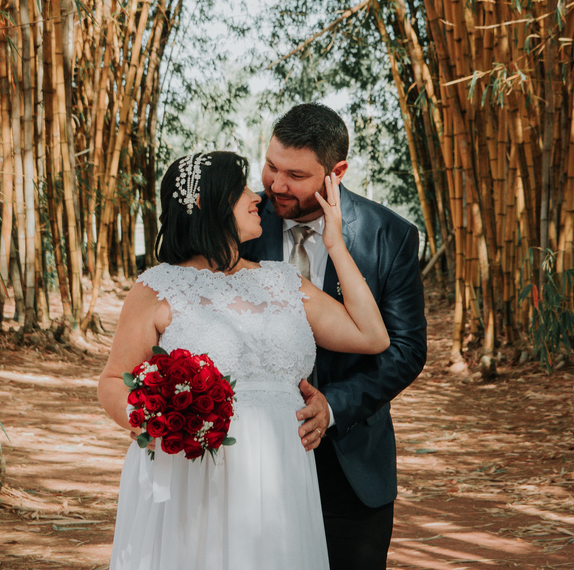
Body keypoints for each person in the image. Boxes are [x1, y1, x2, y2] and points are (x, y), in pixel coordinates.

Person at [98, 150, 389, 570]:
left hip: (282, 473)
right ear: (205, 204)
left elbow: (372, 335)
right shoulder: (156, 287)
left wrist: (335, 243)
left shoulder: (284, 280)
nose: (258, 196)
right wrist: (151, 418)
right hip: (196, 471)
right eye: (241, 191)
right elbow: (112, 380)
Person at [241, 103, 428, 570]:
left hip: (352, 461)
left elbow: (406, 350)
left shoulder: (391, 236)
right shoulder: (240, 227)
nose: (276, 185)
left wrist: (333, 405)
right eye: (271, 166)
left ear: (336, 171)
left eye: (295, 175)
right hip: (251, 464)